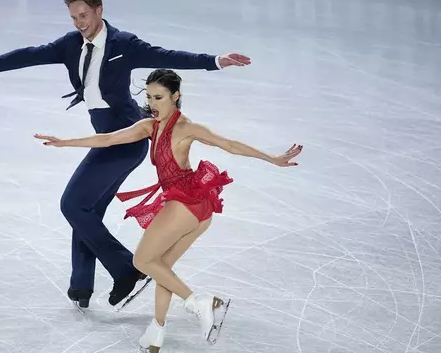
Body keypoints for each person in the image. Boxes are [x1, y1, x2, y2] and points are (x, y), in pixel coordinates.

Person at [0, 0, 252, 310]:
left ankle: (126, 270)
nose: (79, 23)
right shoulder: (70, 44)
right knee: (87, 210)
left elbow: (168, 56)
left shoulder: (124, 44)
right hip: (107, 135)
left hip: (125, 137)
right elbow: (30, 54)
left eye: (84, 15)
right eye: (74, 17)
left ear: (99, 10)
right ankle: (81, 286)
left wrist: (215, 61)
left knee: (72, 204)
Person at [34, 68, 303, 349]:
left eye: (159, 97)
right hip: (197, 207)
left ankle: (202, 302)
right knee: (162, 267)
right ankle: (157, 330)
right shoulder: (149, 126)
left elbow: (229, 144)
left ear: (175, 96)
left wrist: (272, 158)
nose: (152, 104)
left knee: (142, 262)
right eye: (149, 97)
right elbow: (108, 139)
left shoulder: (187, 127)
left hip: (186, 202)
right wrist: (65, 142)